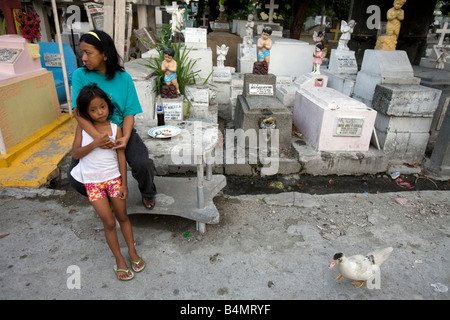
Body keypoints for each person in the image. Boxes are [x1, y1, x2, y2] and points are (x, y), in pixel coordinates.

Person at [69, 30, 157, 210]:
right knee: (74, 178)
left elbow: (129, 112)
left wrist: (124, 137)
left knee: (143, 164)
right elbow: (77, 112)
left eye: (88, 53)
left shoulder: (123, 78)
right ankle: (105, 195)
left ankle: (148, 192)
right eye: (82, 53)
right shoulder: (80, 75)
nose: (84, 58)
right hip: (92, 131)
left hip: (120, 130)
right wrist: (97, 138)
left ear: (104, 54)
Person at [70, 84, 146, 281]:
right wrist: (95, 142)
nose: (99, 112)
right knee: (109, 222)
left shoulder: (115, 128)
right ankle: (119, 260)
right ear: (86, 112)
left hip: (113, 180)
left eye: (102, 107)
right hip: (93, 183)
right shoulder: (82, 129)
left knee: (122, 216)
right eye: (93, 110)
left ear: (108, 105)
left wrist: (124, 183)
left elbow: (121, 156)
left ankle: (132, 252)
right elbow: (75, 154)